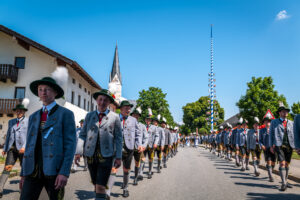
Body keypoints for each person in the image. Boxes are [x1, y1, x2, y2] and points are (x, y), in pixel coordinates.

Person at [19, 75, 76, 200]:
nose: (43, 92)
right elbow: (29, 146)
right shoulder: (33, 116)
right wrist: (23, 173)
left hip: (54, 171)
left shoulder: (65, 114)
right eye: (40, 89)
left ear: (55, 92)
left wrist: (64, 172)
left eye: (47, 89)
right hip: (32, 170)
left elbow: (70, 146)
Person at [76, 89, 122, 200]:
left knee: (101, 185)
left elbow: (118, 138)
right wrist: (78, 152)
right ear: (97, 100)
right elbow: (82, 135)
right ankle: (100, 194)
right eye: (100, 99)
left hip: (106, 155)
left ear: (109, 103)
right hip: (90, 155)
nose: (102, 102)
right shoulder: (89, 116)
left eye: (105, 100)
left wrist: (118, 156)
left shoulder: (115, 117)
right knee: (95, 182)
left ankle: (101, 194)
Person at [0, 99, 29, 198]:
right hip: (12, 149)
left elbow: (29, 136)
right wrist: (5, 148)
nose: (19, 112)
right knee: (7, 168)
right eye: (17, 111)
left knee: (24, 170)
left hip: (23, 149)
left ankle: (24, 190)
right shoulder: (11, 121)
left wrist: (25, 147)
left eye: (21, 111)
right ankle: (0, 189)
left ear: (24, 112)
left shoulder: (28, 121)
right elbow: (8, 135)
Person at [270, 102, 295, 191]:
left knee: (287, 164)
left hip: (289, 145)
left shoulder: (291, 122)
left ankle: (286, 181)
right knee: (282, 163)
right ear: (280, 113)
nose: (285, 113)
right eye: (283, 111)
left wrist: (297, 146)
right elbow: (271, 135)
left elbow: (294, 134)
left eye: (286, 111)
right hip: (279, 145)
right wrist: (271, 146)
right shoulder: (274, 122)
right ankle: (283, 183)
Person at [130, 107, 148, 186]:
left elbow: (146, 137)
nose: (136, 116)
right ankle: (126, 181)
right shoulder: (127, 123)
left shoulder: (142, 126)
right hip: (129, 147)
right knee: (126, 164)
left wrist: (143, 145)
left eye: (137, 115)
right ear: (132, 115)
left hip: (138, 147)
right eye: (134, 115)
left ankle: (135, 178)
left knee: (138, 162)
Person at [259, 113, 276, 182]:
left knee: (273, 163)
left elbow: (276, 138)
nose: (267, 123)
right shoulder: (261, 130)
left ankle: (269, 169)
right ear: (264, 123)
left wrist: (275, 145)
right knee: (269, 162)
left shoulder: (274, 130)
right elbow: (260, 140)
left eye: (268, 121)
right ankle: (270, 176)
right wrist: (262, 145)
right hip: (266, 148)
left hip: (273, 149)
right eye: (265, 121)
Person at [143, 113, 159, 179]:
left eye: (149, 120)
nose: (148, 121)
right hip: (143, 145)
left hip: (151, 145)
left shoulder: (154, 127)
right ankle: (140, 172)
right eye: (147, 119)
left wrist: (155, 143)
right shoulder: (142, 126)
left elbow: (157, 136)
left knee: (150, 159)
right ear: (145, 120)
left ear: (151, 121)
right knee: (142, 159)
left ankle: (150, 171)